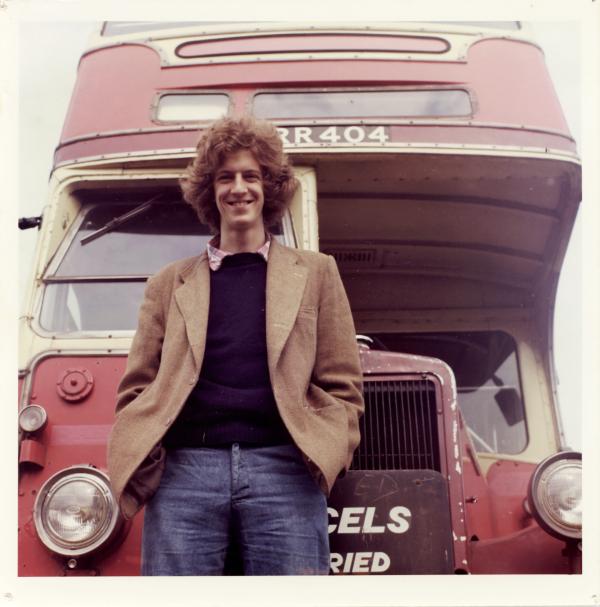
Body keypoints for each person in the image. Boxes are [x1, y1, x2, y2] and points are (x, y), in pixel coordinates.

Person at [107, 116, 364, 576]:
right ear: (211, 191)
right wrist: (153, 464)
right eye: (225, 177)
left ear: (270, 186)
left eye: (251, 175)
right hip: (186, 474)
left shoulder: (318, 272)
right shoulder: (169, 283)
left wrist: (328, 452)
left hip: (285, 470)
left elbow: (343, 383)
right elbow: (136, 390)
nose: (239, 188)